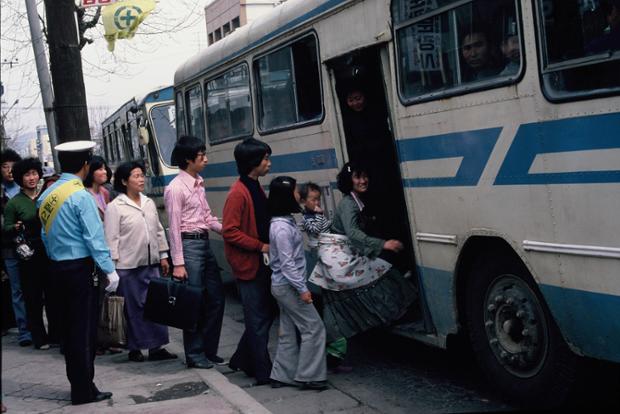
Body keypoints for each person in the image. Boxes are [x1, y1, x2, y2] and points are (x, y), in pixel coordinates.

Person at [309, 162, 417, 370]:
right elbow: (354, 234)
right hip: (337, 261)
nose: (362, 180)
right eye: (357, 177)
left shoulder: (356, 201)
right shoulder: (349, 204)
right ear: (349, 181)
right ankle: (328, 358)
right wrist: (382, 244)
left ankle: (332, 356)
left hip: (339, 258)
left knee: (341, 308)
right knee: (377, 277)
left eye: (365, 176)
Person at [36, 140, 118, 406]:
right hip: (81, 270)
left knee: (69, 331)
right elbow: (95, 239)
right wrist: (110, 270)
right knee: (84, 331)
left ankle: (82, 384)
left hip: (57, 268)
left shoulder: (47, 195)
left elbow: (44, 236)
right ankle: (83, 390)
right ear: (86, 165)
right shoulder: (81, 195)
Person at [105, 161, 176, 363]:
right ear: (124, 181)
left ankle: (156, 347)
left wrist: (163, 256)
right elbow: (111, 239)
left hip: (151, 263)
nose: (141, 179)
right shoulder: (115, 207)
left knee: (156, 306)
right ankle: (134, 348)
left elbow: (159, 231)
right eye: (136, 176)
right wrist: (113, 269)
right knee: (133, 310)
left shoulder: (148, 202)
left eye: (141, 175)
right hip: (127, 267)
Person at [164, 135, 225, 369]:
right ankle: (194, 353)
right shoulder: (175, 189)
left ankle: (209, 349)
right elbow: (174, 227)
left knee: (216, 298)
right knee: (194, 303)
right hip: (189, 246)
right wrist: (178, 263)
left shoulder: (199, 183)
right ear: (189, 160)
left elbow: (207, 217)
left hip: (204, 243)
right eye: (201, 156)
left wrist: (227, 232)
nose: (206, 160)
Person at [222, 137, 275, 385]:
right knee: (257, 320)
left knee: (262, 317)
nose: (268, 162)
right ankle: (263, 372)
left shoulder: (254, 186)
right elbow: (230, 231)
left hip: (261, 263)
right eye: (265, 159)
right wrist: (259, 245)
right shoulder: (238, 193)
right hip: (248, 265)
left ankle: (241, 358)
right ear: (253, 162)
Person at [268, 176, 328, 390]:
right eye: (294, 191)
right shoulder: (282, 228)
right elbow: (287, 264)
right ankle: (309, 375)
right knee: (314, 327)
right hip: (289, 286)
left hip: (282, 285)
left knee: (287, 328)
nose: (298, 194)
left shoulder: (283, 221)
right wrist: (303, 289)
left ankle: (281, 375)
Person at [3, 158, 60, 350]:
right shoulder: (14, 203)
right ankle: (39, 337)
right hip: (28, 254)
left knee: (52, 295)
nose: (32, 178)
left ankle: (55, 335)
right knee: (33, 297)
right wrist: (16, 226)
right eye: (27, 175)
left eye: (34, 173)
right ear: (20, 178)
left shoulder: (46, 196)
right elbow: (6, 228)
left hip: (49, 250)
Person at [1, 149, 32, 347]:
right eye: (5, 167)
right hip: (9, 247)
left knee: (33, 288)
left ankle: (35, 327)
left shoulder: (24, 191)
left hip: (30, 247)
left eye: (13, 166)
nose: (10, 171)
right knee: (17, 290)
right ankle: (24, 330)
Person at [84, 156, 111, 221]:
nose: (105, 172)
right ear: (90, 172)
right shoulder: (85, 194)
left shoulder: (105, 192)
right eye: (100, 169)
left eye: (104, 169)